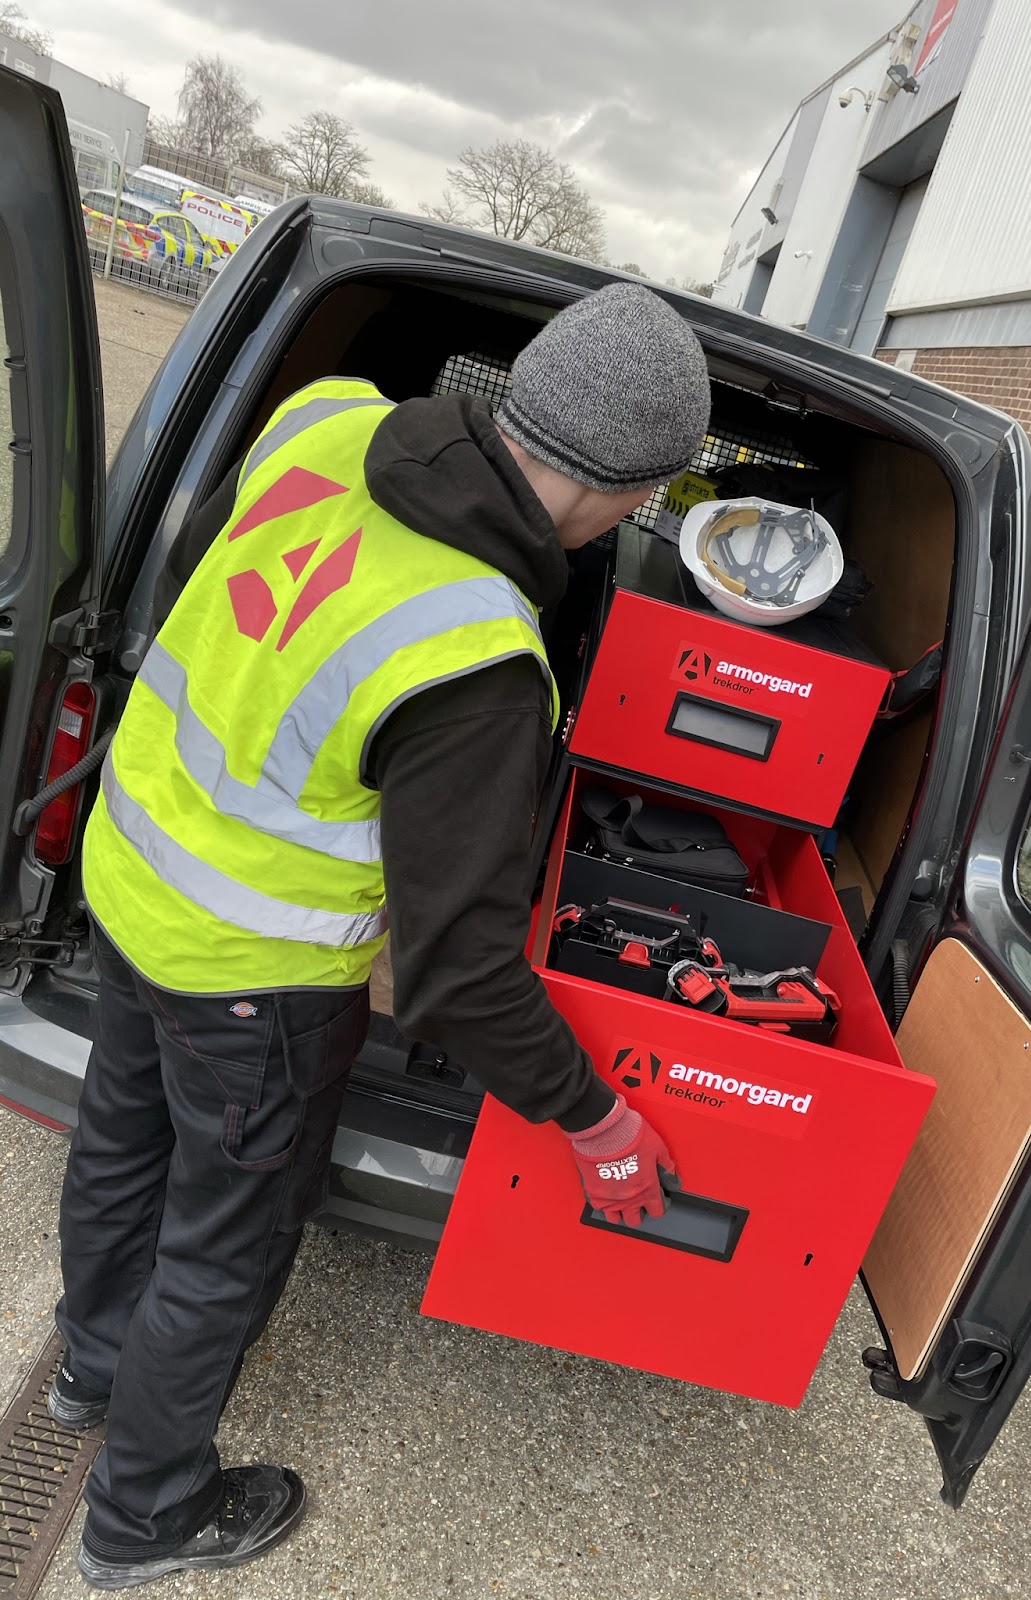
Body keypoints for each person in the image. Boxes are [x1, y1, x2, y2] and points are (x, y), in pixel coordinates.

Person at [50, 282, 712, 1589]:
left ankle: (88, 1369)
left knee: (119, 1152)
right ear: (634, 494)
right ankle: (144, 1516)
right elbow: (461, 975)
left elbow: (241, 601)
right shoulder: (476, 660)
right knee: (221, 1245)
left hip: (131, 874)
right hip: (251, 979)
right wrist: (593, 1116)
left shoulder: (327, 422)